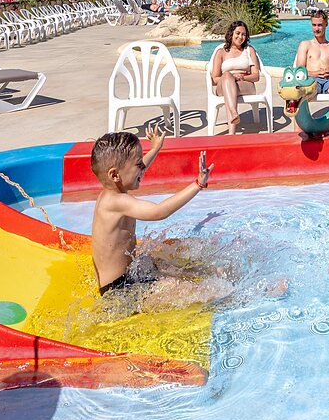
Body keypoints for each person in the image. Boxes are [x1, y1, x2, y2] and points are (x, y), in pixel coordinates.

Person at [90, 127, 230, 309]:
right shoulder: (116, 202)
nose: (143, 168)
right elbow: (159, 212)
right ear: (115, 174)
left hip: (131, 273)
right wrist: (197, 184)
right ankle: (235, 295)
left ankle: (215, 273)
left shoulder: (114, 190)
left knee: (165, 259)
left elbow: (133, 170)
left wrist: (155, 148)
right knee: (186, 290)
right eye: (138, 164)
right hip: (118, 292)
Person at [211, 20, 262, 134]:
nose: (240, 37)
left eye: (243, 34)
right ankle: (234, 113)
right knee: (228, 77)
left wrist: (242, 78)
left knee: (230, 86)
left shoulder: (249, 50)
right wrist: (230, 77)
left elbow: (256, 76)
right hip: (223, 84)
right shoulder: (220, 52)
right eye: (238, 33)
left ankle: (232, 132)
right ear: (231, 34)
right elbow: (214, 79)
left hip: (245, 84)